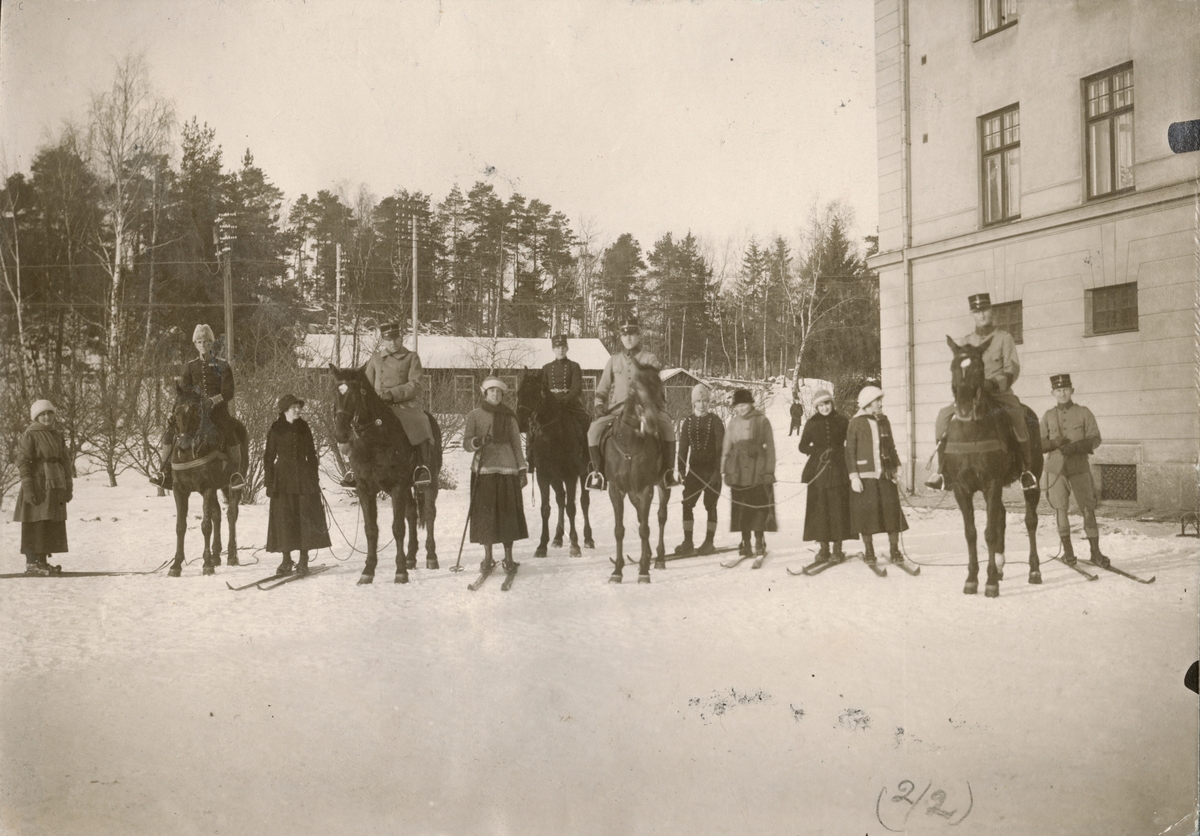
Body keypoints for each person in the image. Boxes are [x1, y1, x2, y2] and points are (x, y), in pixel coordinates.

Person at [926, 293, 1037, 492]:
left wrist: (993, 384)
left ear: (991, 311)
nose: (982, 315)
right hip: (971, 395)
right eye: (977, 311)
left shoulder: (1004, 338)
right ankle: (942, 471)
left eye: (985, 310)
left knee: (1018, 417)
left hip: (998, 394)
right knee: (943, 416)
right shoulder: (966, 341)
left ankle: (1025, 470)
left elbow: (1012, 368)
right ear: (972, 314)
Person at [586, 316, 679, 490]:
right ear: (620, 337)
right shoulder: (613, 360)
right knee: (593, 431)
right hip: (617, 410)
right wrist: (599, 404)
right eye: (624, 334)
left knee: (667, 426)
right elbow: (603, 387)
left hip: (645, 408)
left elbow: (655, 386)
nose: (628, 338)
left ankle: (668, 472)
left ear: (638, 336)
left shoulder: (649, 359)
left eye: (632, 334)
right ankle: (598, 473)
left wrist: (651, 406)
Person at [151, 324, 244, 490]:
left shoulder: (222, 365)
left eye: (206, 342)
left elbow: (228, 392)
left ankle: (235, 475)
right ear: (195, 344)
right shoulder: (190, 366)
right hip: (195, 413)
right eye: (199, 342)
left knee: (230, 433)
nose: (203, 345)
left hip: (217, 412)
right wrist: (176, 411)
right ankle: (164, 472)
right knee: (170, 433)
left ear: (212, 343)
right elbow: (183, 392)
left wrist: (213, 401)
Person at [1039, 374, 1110, 568]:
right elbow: (1039, 443)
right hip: (1055, 469)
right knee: (1060, 508)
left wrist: (1077, 447)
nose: (1062, 393)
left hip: (1079, 466)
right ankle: (1068, 553)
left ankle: (1095, 552)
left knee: (1088, 507)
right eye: (1058, 390)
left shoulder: (1083, 412)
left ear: (1072, 390)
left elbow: (1095, 438)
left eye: (1065, 389)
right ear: (1052, 393)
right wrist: (1054, 443)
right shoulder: (1048, 415)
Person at [464, 377, 529, 574]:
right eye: (492, 391)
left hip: (508, 471)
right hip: (484, 471)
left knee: (508, 516)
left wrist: (522, 469)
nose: (495, 394)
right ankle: (488, 557)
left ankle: (509, 558)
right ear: (485, 394)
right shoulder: (474, 415)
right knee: (486, 516)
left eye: (499, 392)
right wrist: (478, 441)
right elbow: (467, 443)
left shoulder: (509, 417)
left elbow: (516, 444)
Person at [263, 394, 331, 576]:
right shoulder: (276, 429)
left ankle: (303, 559)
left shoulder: (304, 427)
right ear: (285, 410)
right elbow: (268, 457)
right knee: (284, 518)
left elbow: (312, 455)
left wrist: (314, 479)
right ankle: (286, 560)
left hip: (304, 478)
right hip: (282, 480)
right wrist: (269, 483)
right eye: (294, 407)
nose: (298, 410)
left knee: (304, 517)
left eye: (299, 407)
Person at [364, 321, 435, 488]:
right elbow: (366, 385)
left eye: (395, 338)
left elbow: (415, 384)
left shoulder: (411, 357)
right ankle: (354, 468)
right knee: (359, 424)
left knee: (421, 421)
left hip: (405, 403)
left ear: (401, 338)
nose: (392, 343)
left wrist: (393, 394)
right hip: (379, 404)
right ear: (383, 340)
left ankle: (421, 467)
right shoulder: (375, 359)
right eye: (388, 340)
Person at [846, 386, 908, 565]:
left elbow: (890, 446)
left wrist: (897, 465)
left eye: (880, 400)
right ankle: (869, 551)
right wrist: (854, 476)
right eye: (877, 401)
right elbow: (850, 452)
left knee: (891, 513)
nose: (880, 404)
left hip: (885, 475)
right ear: (867, 403)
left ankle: (894, 550)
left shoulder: (884, 421)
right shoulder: (855, 423)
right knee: (867, 516)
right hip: (865, 477)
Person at [15, 400, 73, 575]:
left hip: (55, 483)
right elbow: (23, 462)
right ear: (36, 417)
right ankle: (32, 563)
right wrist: (28, 487)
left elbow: (65, 461)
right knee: (36, 521)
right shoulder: (29, 435)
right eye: (42, 414)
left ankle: (42, 562)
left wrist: (68, 485)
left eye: (49, 413)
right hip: (38, 483)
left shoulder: (57, 435)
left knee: (49, 522)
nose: (47, 417)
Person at [798, 388, 853, 564]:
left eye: (827, 403)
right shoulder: (811, 423)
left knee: (838, 509)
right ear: (816, 407)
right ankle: (823, 549)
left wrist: (840, 451)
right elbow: (802, 446)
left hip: (839, 470)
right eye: (820, 405)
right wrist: (816, 451)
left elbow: (851, 442)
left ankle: (837, 549)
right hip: (818, 471)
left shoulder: (843, 420)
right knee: (820, 511)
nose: (824, 408)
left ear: (832, 403)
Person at [721, 388, 777, 558]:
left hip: (757, 469)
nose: (741, 408)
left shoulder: (762, 421)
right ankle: (745, 542)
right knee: (741, 507)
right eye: (738, 406)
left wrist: (769, 471)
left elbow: (770, 447)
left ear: (751, 403)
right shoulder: (733, 423)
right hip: (737, 469)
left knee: (758, 505)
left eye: (744, 404)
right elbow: (727, 447)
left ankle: (759, 541)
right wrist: (724, 470)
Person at [674, 383, 725, 556]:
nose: (702, 405)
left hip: (712, 471)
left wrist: (718, 471)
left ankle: (709, 543)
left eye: (705, 401)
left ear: (708, 402)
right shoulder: (688, 422)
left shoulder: (715, 421)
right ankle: (688, 542)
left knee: (710, 505)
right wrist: (681, 470)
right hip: (695, 472)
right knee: (687, 503)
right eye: (698, 401)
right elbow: (682, 448)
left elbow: (721, 448)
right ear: (693, 403)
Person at [536, 334, 590, 473]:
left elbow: (577, 388)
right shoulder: (546, 368)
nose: (560, 350)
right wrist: (549, 401)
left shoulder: (574, 366)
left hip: (570, 404)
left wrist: (565, 400)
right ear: (553, 349)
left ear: (567, 349)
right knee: (535, 424)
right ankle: (532, 457)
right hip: (550, 405)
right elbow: (542, 388)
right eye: (557, 347)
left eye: (563, 347)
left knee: (585, 422)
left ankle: (588, 460)